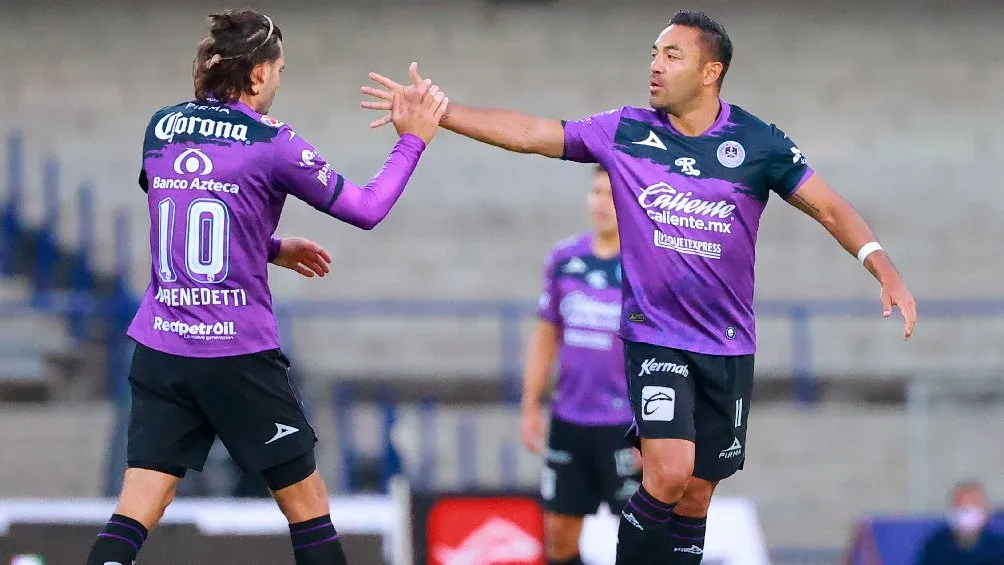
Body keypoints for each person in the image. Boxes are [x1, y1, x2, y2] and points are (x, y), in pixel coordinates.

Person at [361, 10, 917, 564]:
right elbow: (531, 133)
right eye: (653, 53)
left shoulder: (757, 143)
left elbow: (830, 207)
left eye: (671, 55)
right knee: (669, 473)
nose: (654, 65)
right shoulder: (626, 131)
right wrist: (441, 110)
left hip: (728, 347)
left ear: (710, 71)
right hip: (656, 337)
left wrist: (884, 269)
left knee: (697, 493)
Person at [86, 9, 448, 565]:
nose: (279, 79)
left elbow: (180, 212)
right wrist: (413, 142)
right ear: (256, 74)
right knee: (307, 506)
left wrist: (271, 247)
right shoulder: (272, 141)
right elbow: (367, 208)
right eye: (278, 68)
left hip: (161, 348)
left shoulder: (161, 126)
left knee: (139, 504)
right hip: (237, 353)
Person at [521, 165, 640, 565]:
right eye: (596, 193)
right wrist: (530, 404)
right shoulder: (564, 259)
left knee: (639, 540)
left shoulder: (647, 270)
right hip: (570, 421)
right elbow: (545, 335)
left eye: (611, 195)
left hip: (625, 426)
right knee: (559, 537)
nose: (601, 203)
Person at [915, 481, 1004, 565]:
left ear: (985, 511)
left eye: (972, 506)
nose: (965, 512)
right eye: (960, 507)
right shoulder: (935, 547)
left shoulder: (999, 549)